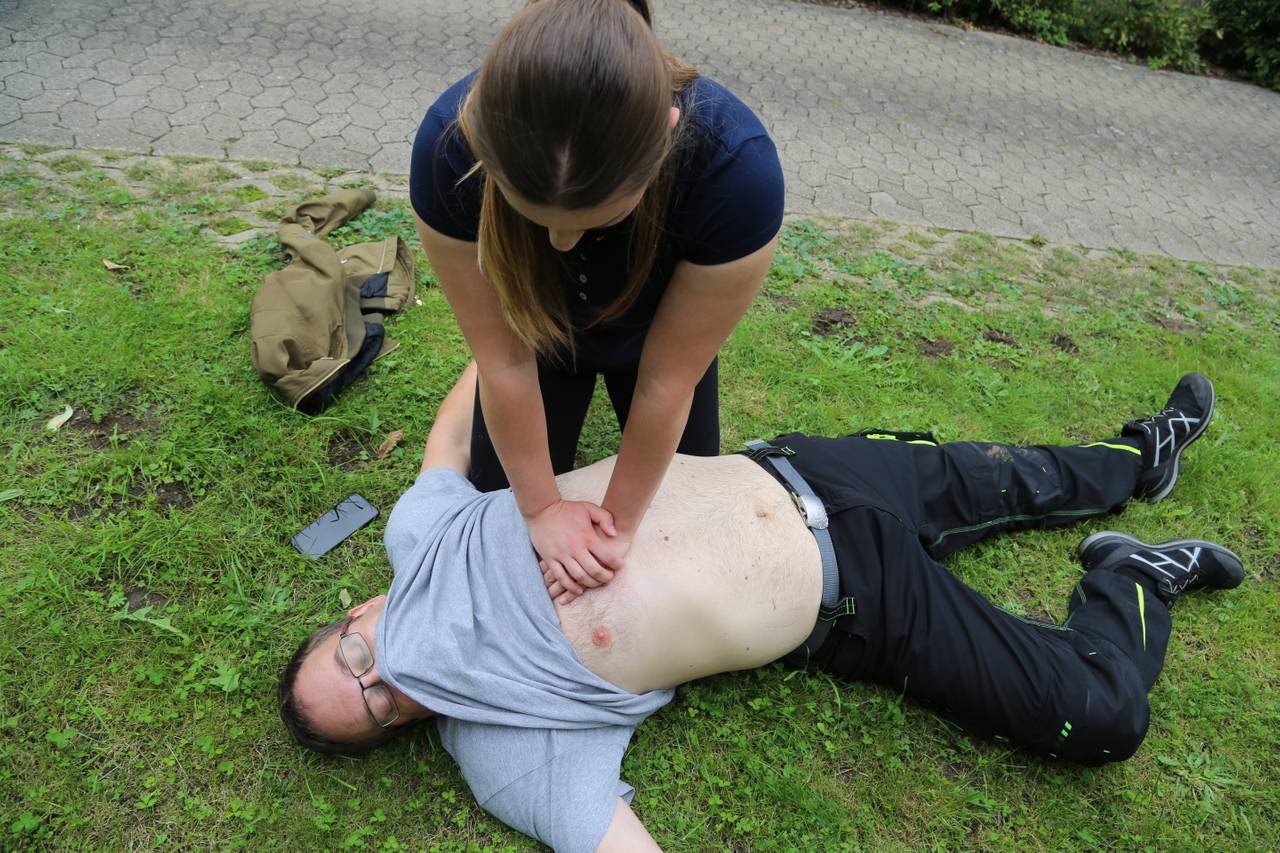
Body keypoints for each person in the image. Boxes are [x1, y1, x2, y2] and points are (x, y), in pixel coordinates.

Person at [277, 369, 1244, 852]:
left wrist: (500, 330)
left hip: (803, 467)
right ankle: (1133, 578)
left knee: (1012, 475)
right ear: (404, 727)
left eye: (355, 660)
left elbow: (452, 435)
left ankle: (1142, 458)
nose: (385, 676)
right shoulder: (505, 749)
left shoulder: (421, 538)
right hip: (859, 599)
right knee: (1101, 711)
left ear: (361, 609)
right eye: (377, 707)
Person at [409, 0, 785, 600]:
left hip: (656, 343)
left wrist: (620, 527)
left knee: (681, 525)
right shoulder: (446, 150)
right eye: (535, 217)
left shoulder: (736, 173)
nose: (562, 243)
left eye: (599, 218)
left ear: (665, 138)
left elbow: (667, 383)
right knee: (499, 515)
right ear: (480, 142)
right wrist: (540, 510)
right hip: (536, 336)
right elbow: (504, 360)